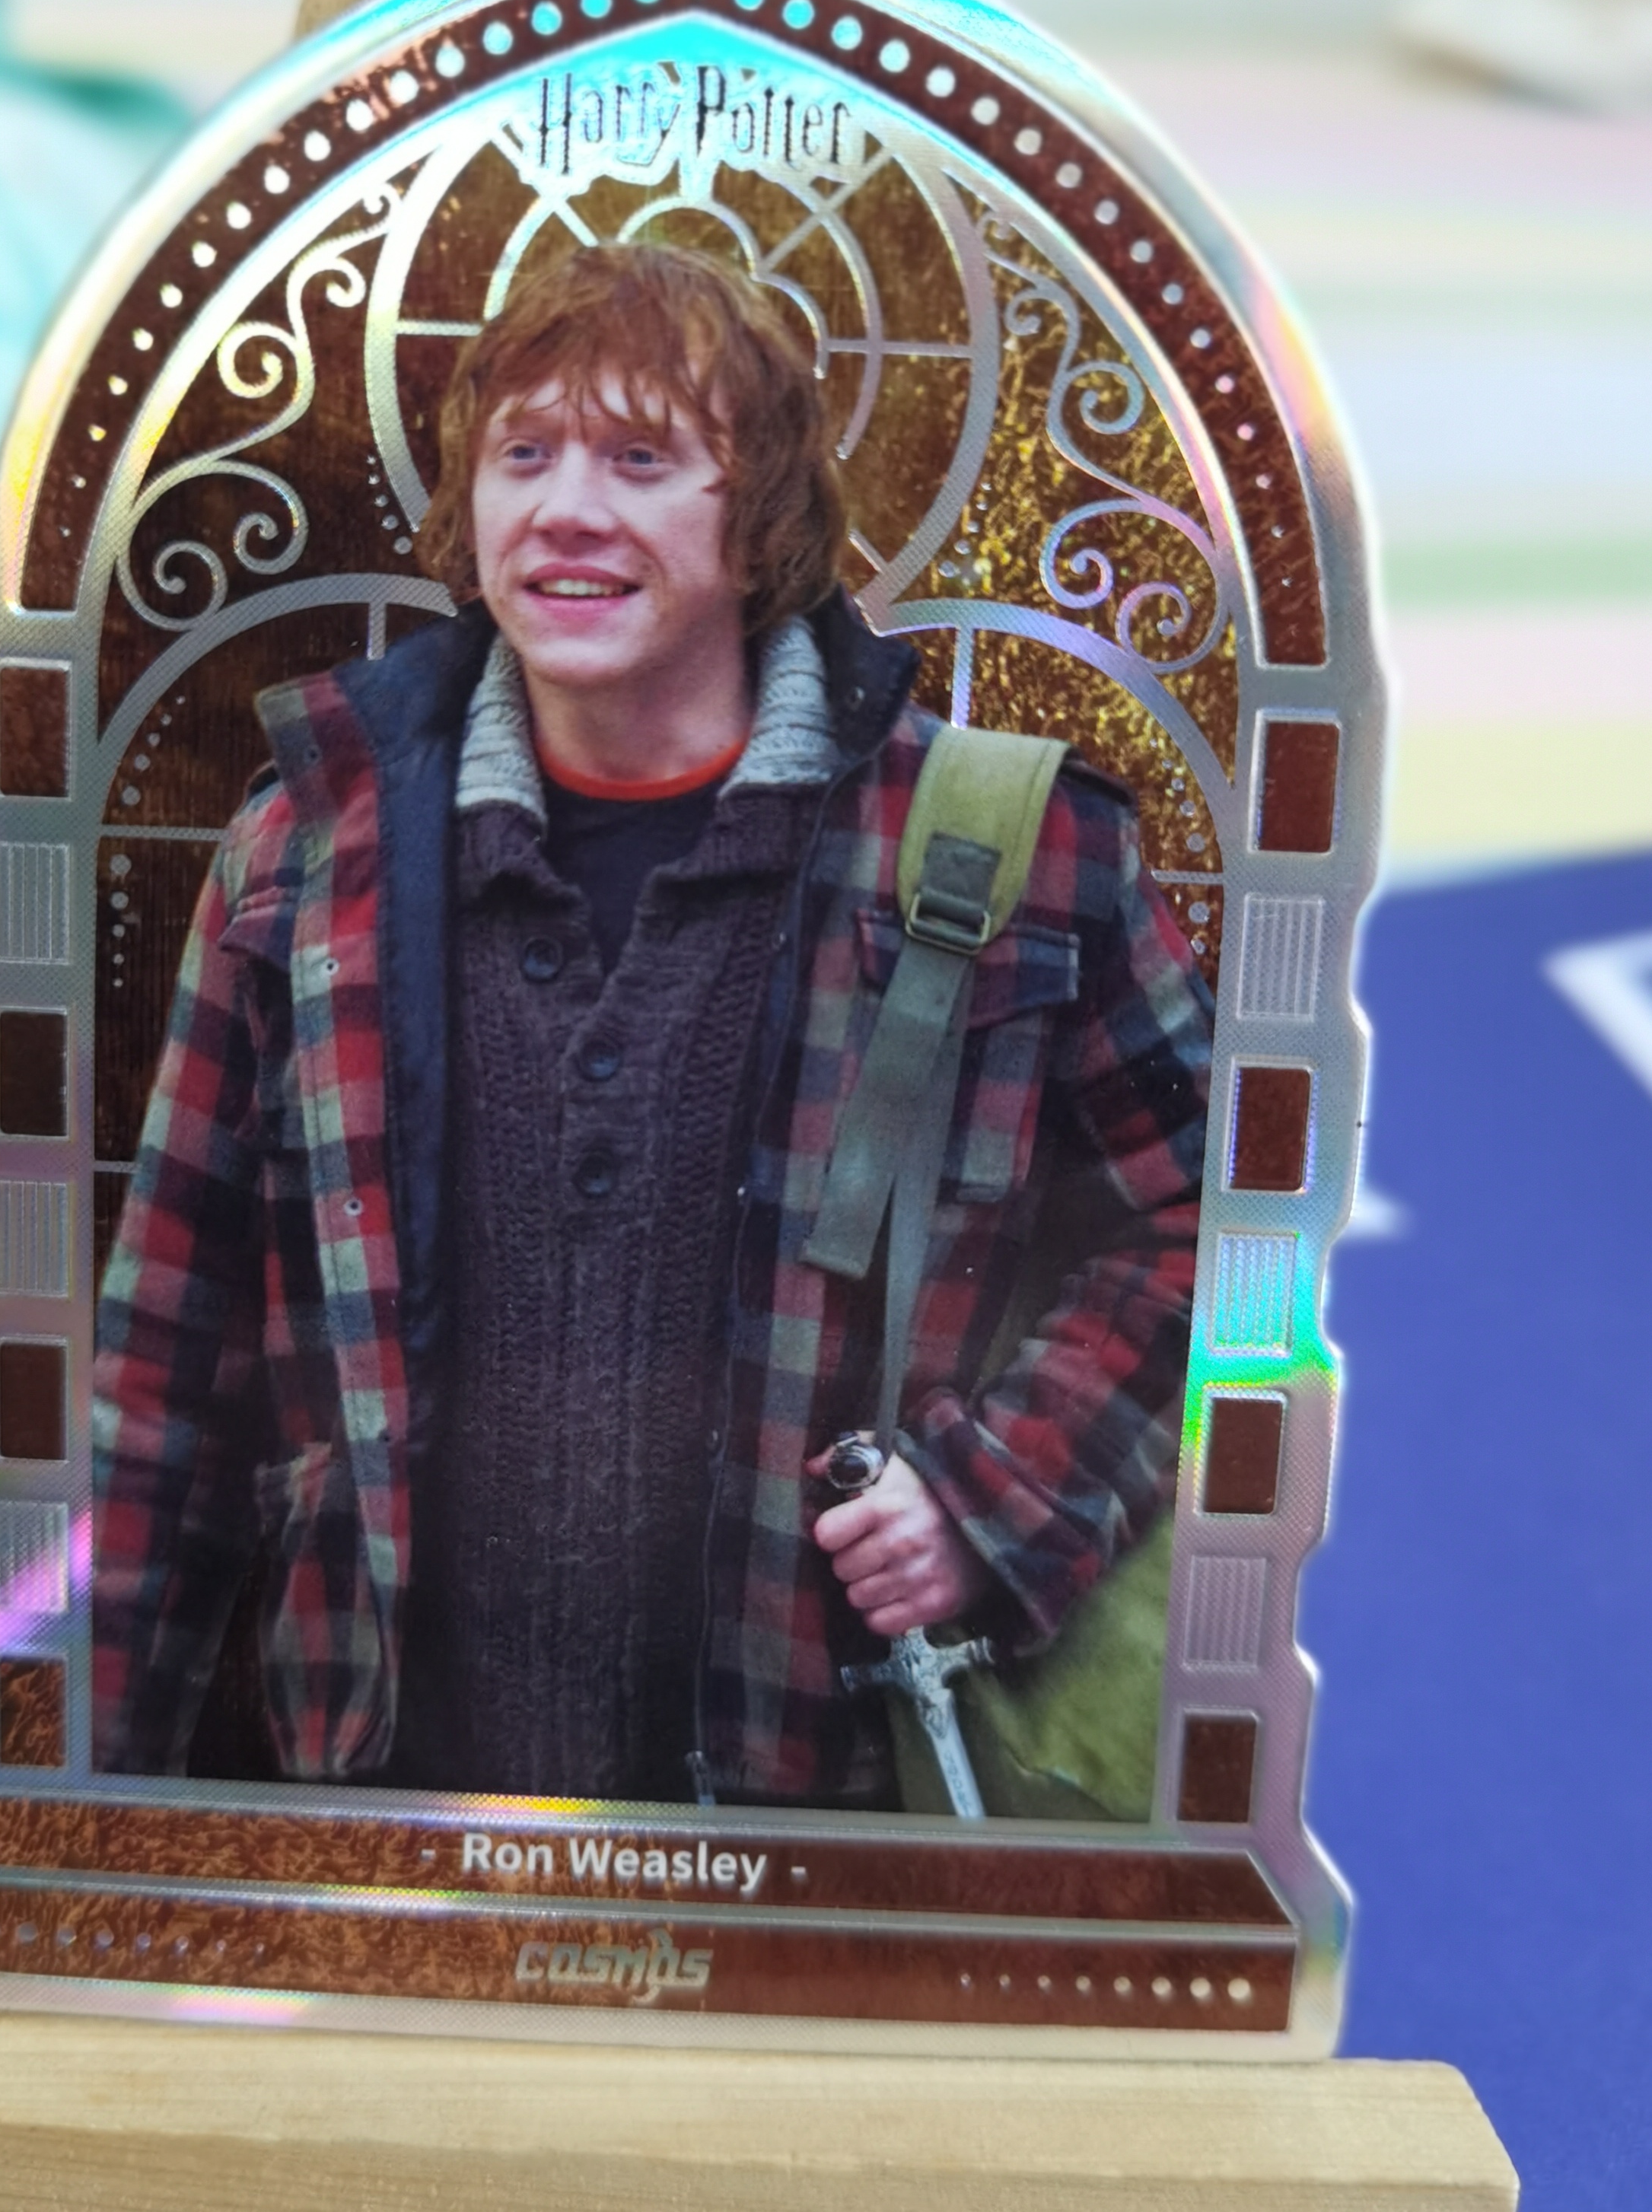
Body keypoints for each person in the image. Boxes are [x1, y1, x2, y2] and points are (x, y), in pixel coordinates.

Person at [90, 240, 1212, 1810]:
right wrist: (79, 1797)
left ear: (763, 523)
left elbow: (1235, 1226)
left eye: (640, 458)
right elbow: (163, 1366)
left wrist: (1001, 1492)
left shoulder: (1017, 853)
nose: (564, 508)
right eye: (522, 454)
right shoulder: (303, 859)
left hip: (829, 1817)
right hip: (399, 1818)